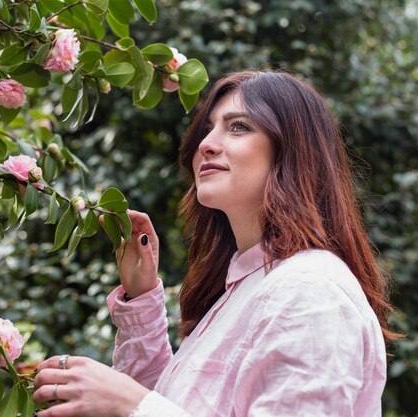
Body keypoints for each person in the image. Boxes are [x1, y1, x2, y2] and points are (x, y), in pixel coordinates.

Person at [32, 70, 399, 417]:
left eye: (238, 127)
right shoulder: (248, 288)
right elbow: (172, 403)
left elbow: (146, 408)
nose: (206, 144)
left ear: (292, 151)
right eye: (208, 130)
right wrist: (141, 299)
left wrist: (134, 404)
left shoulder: (310, 292)